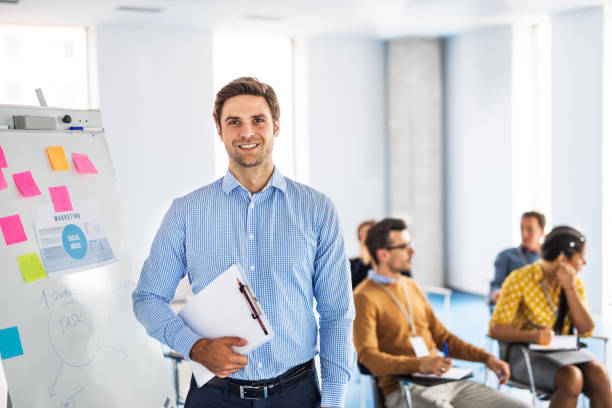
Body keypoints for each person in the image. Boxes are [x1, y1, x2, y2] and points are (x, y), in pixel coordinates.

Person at [132, 77, 355, 408]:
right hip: (215, 395)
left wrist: (334, 400)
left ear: (276, 126)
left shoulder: (316, 209)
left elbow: (336, 312)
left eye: (258, 120)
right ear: (220, 131)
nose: (246, 132)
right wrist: (194, 346)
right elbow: (147, 298)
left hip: (297, 393)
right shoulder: (187, 212)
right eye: (234, 122)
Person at [353, 218, 529, 408]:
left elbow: (443, 337)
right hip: (405, 389)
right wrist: (419, 365)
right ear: (383, 255)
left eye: (411, 244)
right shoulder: (364, 297)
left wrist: (487, 358)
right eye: (404, 247)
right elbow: (368, 358)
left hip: (446, 380)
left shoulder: (411, 286)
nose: (413, 251)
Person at [489, 226, 612, 407]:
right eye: (581, 257)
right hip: (522, 354)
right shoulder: (519, 279)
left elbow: (586, 329)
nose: (584, 262)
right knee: (571, 378)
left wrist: (569, 288)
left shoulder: (575, 283)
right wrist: (532, 336)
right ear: (562, 259)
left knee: (598, 373)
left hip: (564, 352)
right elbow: (495, 330)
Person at [489, 211, 546, 305]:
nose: (524, 234)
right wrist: (496, 294)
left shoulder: (549, 259)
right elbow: (496, 285)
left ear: (542, 231)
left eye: (530, 229)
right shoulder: (505, 256)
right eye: (522, 228)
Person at [350, 220, 376, 289]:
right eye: (361, 237)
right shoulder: (350, 265)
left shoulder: (393, 263)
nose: (364, 239)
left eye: (369, 234)